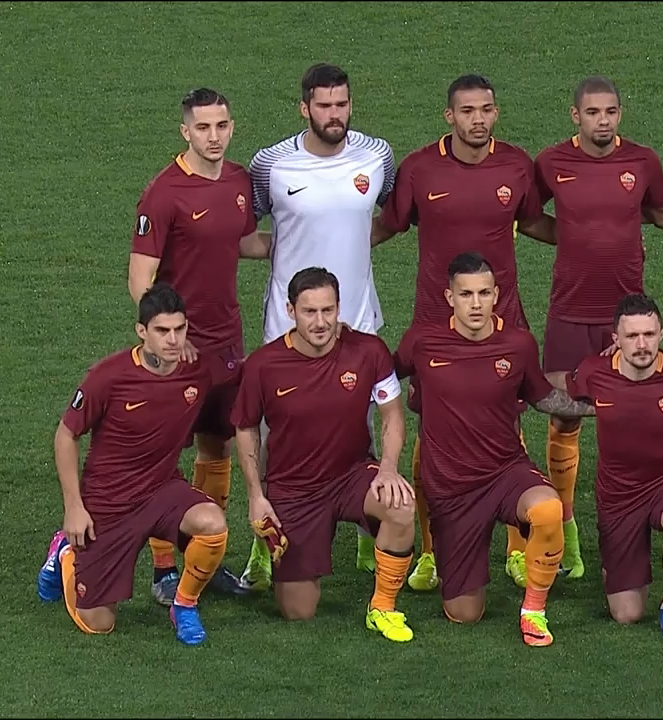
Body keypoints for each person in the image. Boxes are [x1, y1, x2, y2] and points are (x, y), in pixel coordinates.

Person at [373, 74, 555, 591]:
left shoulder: (516, 164)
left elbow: (535, 223)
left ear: (496, 112)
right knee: (434, 429)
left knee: (507, 421)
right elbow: (388, 225)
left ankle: (518, 548)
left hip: (502, 322)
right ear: (449, 116)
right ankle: (433, 550)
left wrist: (599, 239)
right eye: (468, 111)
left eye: (487, 109)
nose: (479, 119)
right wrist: (325, 246)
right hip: (435, 324)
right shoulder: (419, 168)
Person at [241, 62, 399, 587]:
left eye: (342, 104)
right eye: (324, 105)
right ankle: (265, 542)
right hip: (286, 327)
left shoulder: (377, 156)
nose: (335, 114)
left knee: (364, 429)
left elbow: (391, 217)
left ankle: (369, 533)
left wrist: (353, 242)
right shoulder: (271, 164)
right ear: (304, 108)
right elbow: (247, 229)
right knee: (275, 439)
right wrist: (285, 248)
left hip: (357, 321)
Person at [393, 251, 595, 647]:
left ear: (496, 296)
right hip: (452, 490)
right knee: (464, 613)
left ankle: (533, 612)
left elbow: (544, 398)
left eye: (484, 293)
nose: (475, 303)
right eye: (466, 294)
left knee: (547, 509)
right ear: (449, 297)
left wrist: (603, 404)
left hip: (505, 472)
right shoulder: (422, 341)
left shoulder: (517, 344)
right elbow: (380, 371)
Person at [530, 75, 663, 580]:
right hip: (570, 312)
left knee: (638, 413)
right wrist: (575, 237)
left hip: (627, 318)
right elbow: (529, 218)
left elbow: (661, 212)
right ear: (576, 116)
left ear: (620, 113)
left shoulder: (643, 162)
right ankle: (566, 531)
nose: (603, 121)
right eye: (593, 112)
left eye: (611, 112)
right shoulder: (552, 162)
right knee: (565, 418)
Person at [229, 267, 417, 642]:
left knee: (400, 505)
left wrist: (388, 468)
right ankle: (274, 548)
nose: (320, 322)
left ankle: (383, 607)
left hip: (352, 475)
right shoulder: (264, 365)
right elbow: (246, 428)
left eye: (328, 310)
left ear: (339, 308)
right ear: (290, 311)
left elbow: (393, 415)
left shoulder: (369, 351)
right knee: (299, 610)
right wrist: (256, 496)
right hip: (294, 490)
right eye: (309, 312)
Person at [36, 283, 231, 646]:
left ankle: (184, 605)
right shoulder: (109, 376)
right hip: (109, 502)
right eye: (162, 330)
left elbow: (249, 377)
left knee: (213, 524)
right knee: (98, 623)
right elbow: (66, 435)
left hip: (162, 489)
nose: (172, 340)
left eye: (179, 329)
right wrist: (74, 507)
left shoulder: (199, 369)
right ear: (142, 331)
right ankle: (65, 552)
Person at [128, 87, 261, 602]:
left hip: (226, 341)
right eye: (203, 128)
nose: (213, 136)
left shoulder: (238, 180)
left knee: (217, 442)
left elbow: (243, 242)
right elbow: (140, 280)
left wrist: (309, 240)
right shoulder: (164, 193)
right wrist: (170, 336)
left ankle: (205, 559)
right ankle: (165, 570)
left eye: (221, 126)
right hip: (177, 349)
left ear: (232, 127)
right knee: (163, 453)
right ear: (185, 131)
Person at [548, 293, 663, 643]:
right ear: (616, 339)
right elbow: (560, 396)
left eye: (649, 334)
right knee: (626, 614)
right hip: (618, 496)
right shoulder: (593, 372)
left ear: (662, 334)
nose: (642, 345)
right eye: (632, 336)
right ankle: (623, 566)